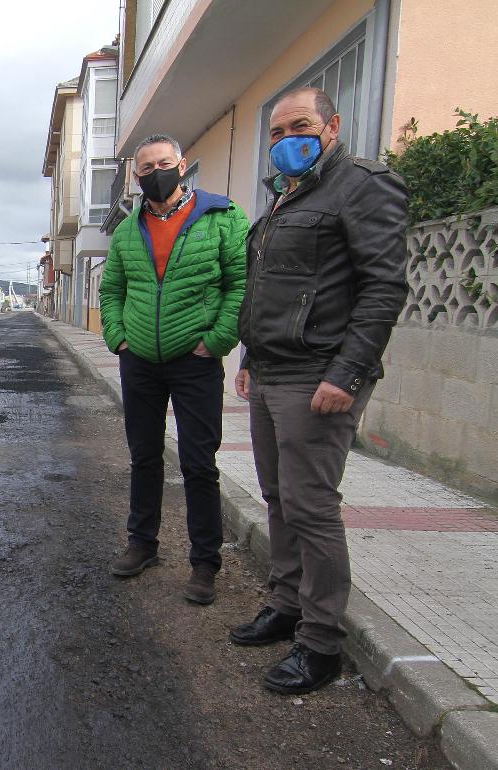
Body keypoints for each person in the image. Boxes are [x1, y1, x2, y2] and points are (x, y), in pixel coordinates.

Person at [229, 87, 409, 694]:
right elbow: (270, 288)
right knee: (278, 497)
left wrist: (348, 373)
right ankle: (287, 605)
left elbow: (384, 287)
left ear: (332, 127)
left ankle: (322, 642)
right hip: (273, 372)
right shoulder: (288, 196)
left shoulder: (362, 184)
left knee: (312, 505)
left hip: (319, 376)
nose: (285, 141)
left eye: (298, 126)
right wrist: (251, 354)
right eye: (276, 133)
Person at [98, 133, 249, 606]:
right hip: (139, 360)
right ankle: (142, 543)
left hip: (195, 361)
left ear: (182, 165)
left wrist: (218, 340)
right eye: (146, 168)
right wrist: (117, 337)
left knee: (199, 463)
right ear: (136, 176)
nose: (156, 173)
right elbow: (111, 291)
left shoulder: (223, 218)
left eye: (164, 163)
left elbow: (240, 284)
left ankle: (205, 563)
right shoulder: (126, 231)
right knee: (143, 456)